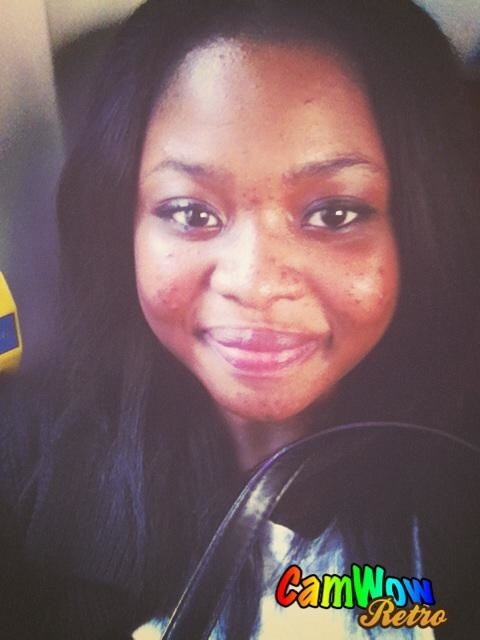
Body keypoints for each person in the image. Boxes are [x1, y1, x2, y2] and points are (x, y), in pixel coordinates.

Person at [1, 0, 479, 638]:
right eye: (191, 213)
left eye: (334, 213)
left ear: (420, 227)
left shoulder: (458, 473)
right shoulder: (25, 459)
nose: (253, 284)